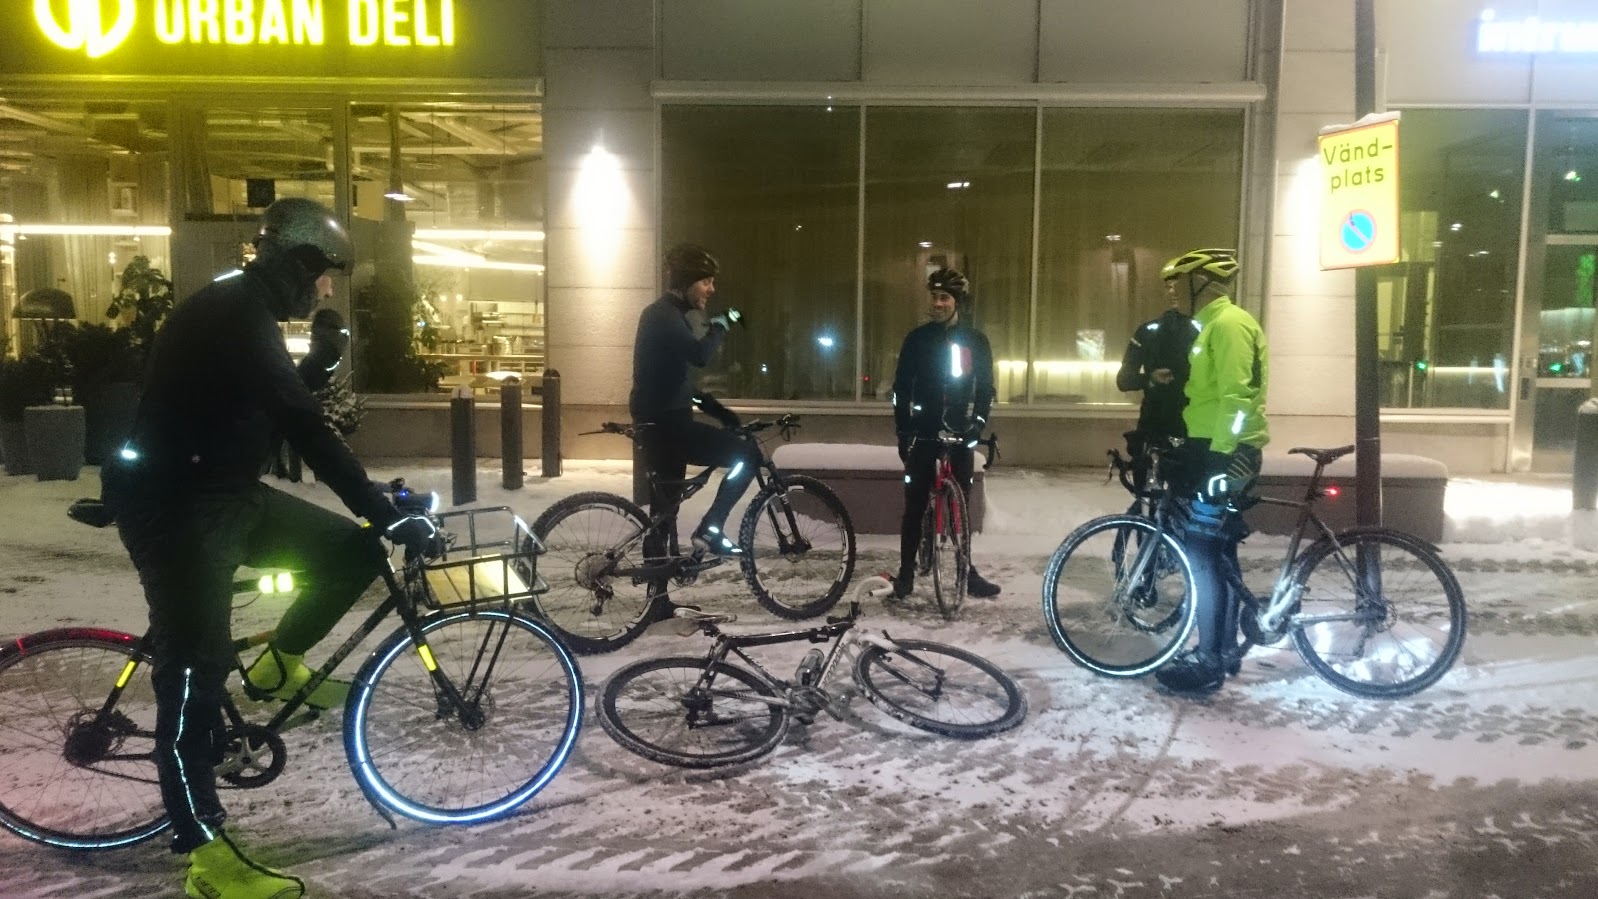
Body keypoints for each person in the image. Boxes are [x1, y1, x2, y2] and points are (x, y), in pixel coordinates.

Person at [105, 197, 435, 899]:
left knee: (352, 552)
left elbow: (257, 401)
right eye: (323, 275)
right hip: (175, 506)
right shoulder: (234, 309)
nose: (326, 290)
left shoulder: (247, 311)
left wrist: (316, 364)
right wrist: (380, 509)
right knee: (195, 675)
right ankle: (206, 857)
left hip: (227, 493)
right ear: (297, 263)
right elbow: (299, 422)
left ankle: (280, 664)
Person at [1151, 248, 1270, 696]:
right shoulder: (1211, 327)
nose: (1172, 292)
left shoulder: (1229, 325)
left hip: (1228, 454)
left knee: (1201, 550)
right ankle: (1221, 650)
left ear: (1201, 283)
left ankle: (1208, 662)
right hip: (1215, 449)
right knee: (1217, 550)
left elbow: (1237, 400)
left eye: (1177, 283)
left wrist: (1220, 459)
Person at [629, 243, 755, 558]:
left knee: (665, 510)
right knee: (748, 456)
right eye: (706, 281)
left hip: (663, 422)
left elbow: (674, 379)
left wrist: (716, 410)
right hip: (668, 426)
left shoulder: (666, 315)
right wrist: (720, 326)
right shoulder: (664, 315)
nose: (712, 289)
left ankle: (657, 585)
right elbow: (699, 355)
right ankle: (711, 529)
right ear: (687, 282)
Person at [889, 267, 1001, 600]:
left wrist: (977, 424)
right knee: (914, 505)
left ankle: (967, 571)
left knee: (960, 508)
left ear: (957, 302)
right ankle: (906, 573)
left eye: (945, 298)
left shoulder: (975, 340)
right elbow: (901, 389)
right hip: (923, 431)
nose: (938, 303)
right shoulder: (917, 339)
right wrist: (903, 430)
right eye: (934, 297)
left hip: (959, 431)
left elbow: (985, 389)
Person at [1115, 279, 1200, 489]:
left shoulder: (1202, 330)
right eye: (1168, 288)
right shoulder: (1148, 331)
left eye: (1176, 287)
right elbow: (1124, 379)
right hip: (1156, 424)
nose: (1172, 293)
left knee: (1181, 490)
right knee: (1149, 490)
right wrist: (1150, 379)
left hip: (1188, 422)